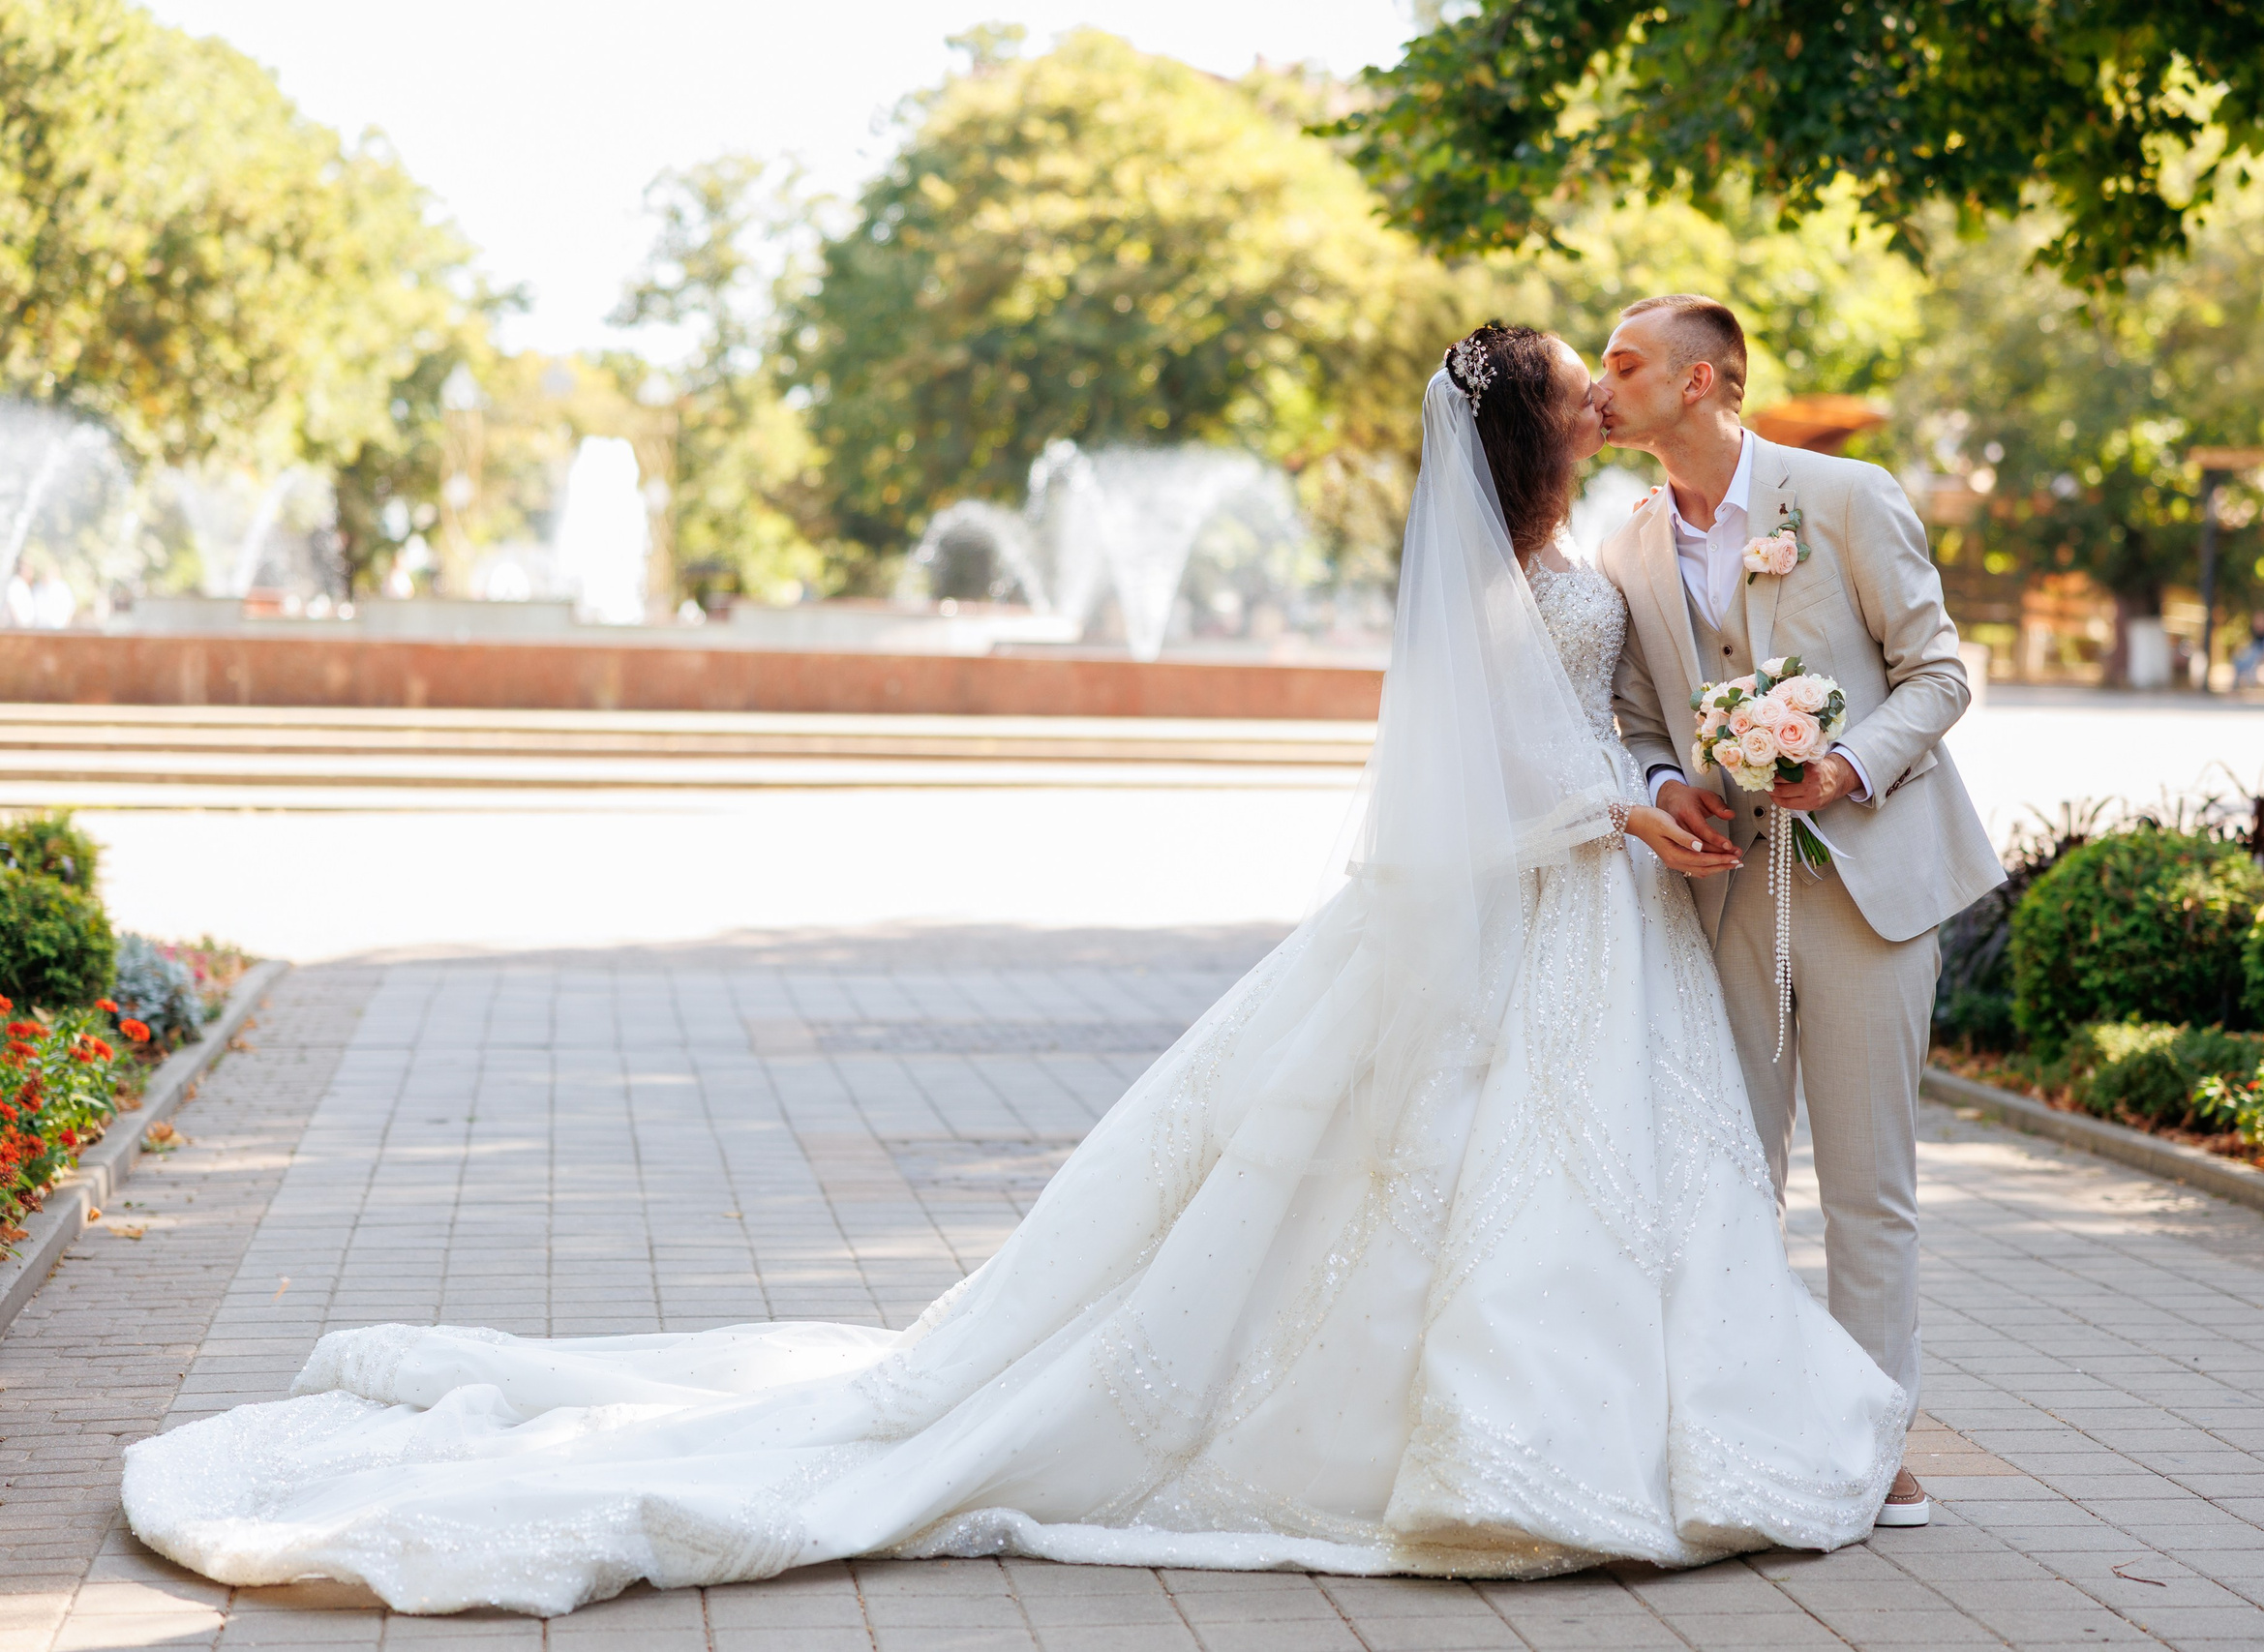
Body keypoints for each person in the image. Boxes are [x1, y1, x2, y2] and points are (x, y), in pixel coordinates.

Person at [122, 324, 1906, 1616]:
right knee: (1454, 1179)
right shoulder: (1478, 579)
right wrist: (1619, 813)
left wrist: (1662, 786)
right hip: (1528, 898)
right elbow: (1474, 782)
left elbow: (1607, 717)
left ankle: (1654, 1423)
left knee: (1606, 1181)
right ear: (1529, 434)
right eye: (1578, 385)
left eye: (1611, 375)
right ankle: (1493, 1445)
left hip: (1604, 912)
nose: (1600, 395)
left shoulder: (1596, 549)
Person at [1591, 295, 2006, 1527]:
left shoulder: (1843, 498)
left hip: (1866, 885)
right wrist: (1662, 786)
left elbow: (1938, 673)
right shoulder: (1626, 545)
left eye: (1624, 363)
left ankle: (1875, 1445)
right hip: (1720, 894)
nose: (1600, 386)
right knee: (1729, 1177)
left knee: (1868, 1187)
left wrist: (1847, 765)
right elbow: (1637, 720)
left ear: (1700, 381)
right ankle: (1750, 1428)